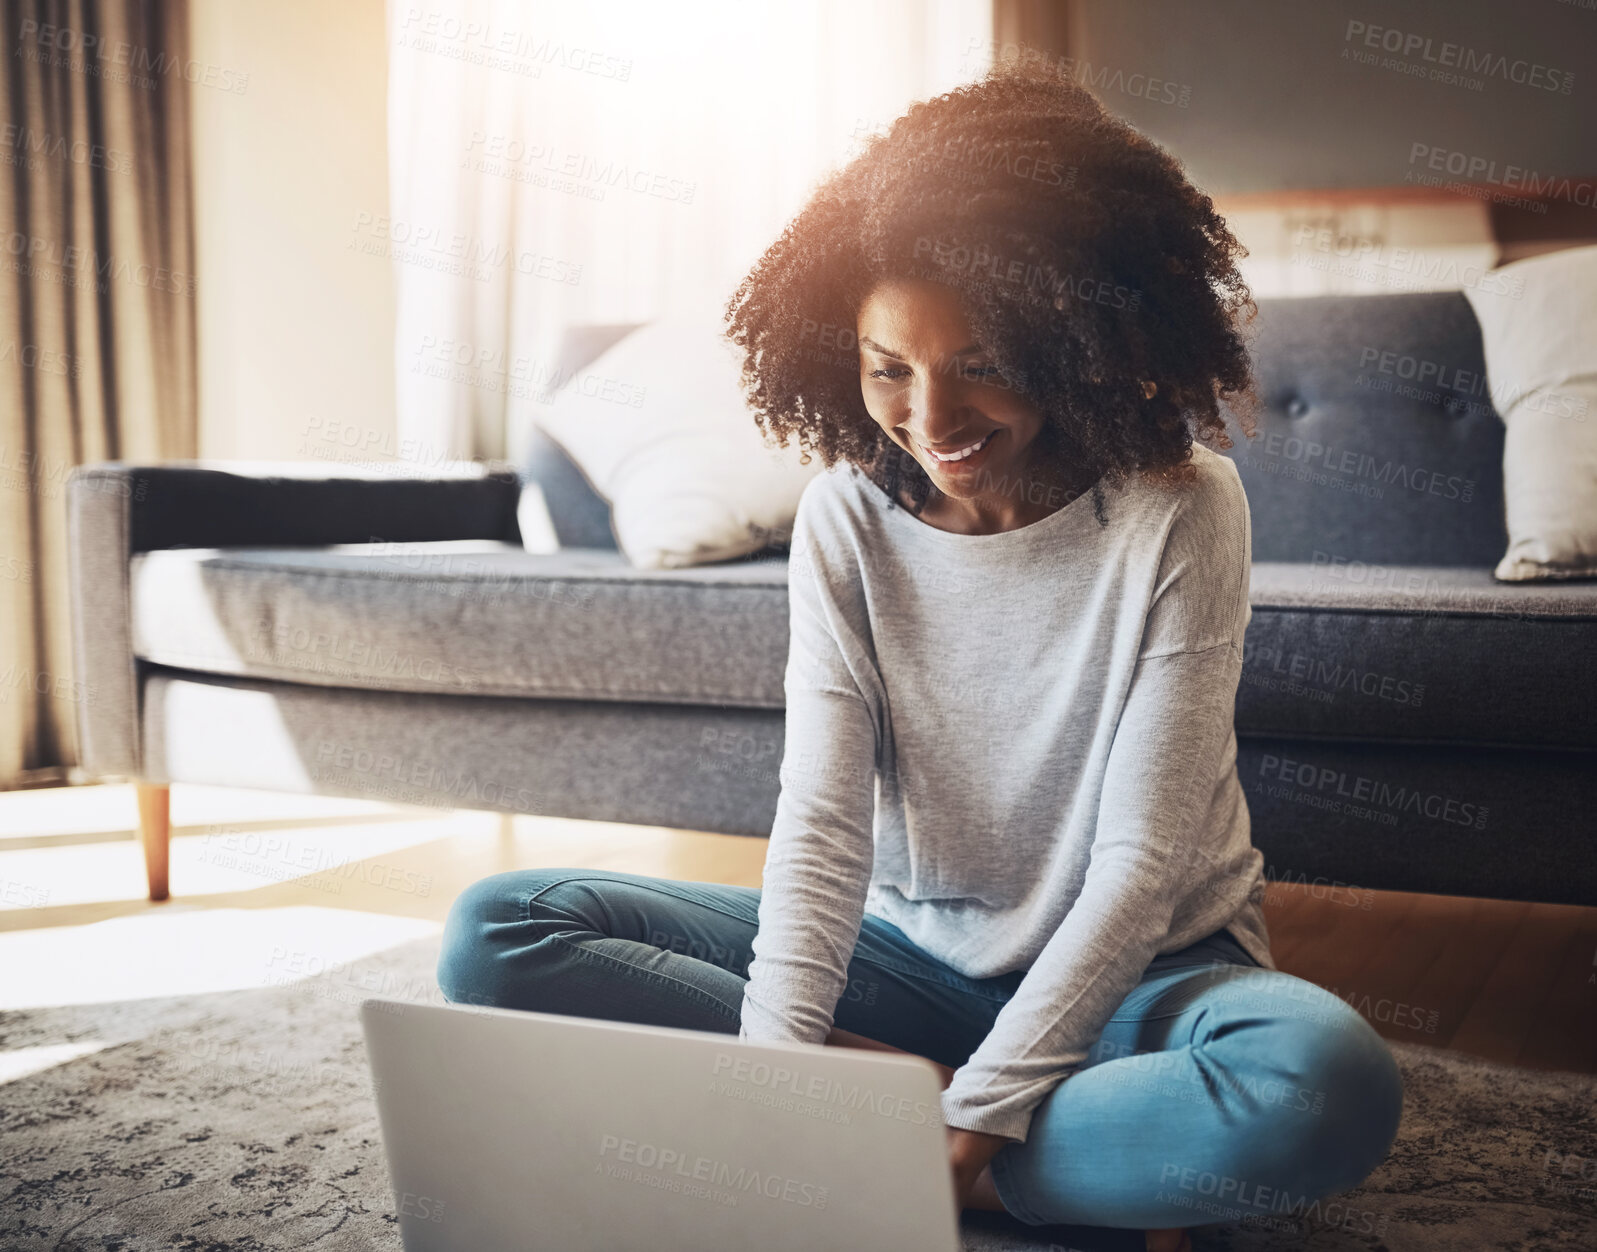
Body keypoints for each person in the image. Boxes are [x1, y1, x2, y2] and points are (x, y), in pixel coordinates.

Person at [437, 61, 1403, 1252]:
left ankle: (934, 1138)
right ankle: (1035, 1160)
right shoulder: (846, 514)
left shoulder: (1180, 504)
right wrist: (771, 1088)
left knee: (1322, 1086)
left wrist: (989, 1100)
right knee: (502, 930)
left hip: (1148, 976)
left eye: (984, 362)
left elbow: (1142, 861)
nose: (931, 420)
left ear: (1081, 340)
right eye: (888, 367)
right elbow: (822, 825)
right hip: (906, 958)